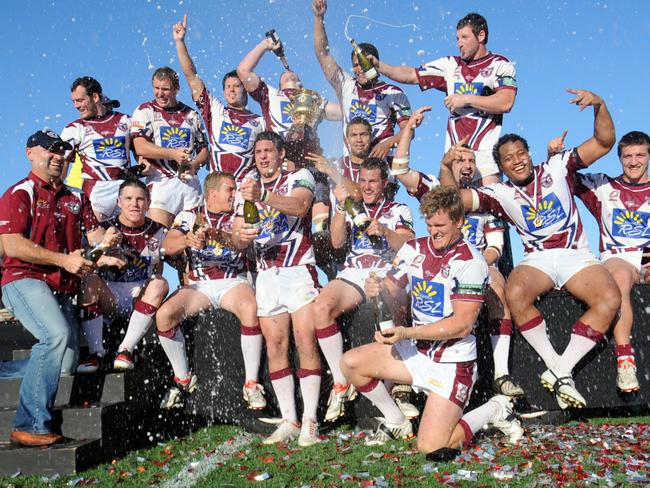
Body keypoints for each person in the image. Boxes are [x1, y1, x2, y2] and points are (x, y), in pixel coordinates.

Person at [452, 89, 621, 409]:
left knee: (610, 298)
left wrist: (599, 104)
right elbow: (454, 201)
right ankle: (558, 368)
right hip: (538, 259)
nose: (516, 160)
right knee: (515, 293)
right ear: (500, 166)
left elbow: (603, 142)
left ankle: (560, 369)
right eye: (508, 158)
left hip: (576, 254)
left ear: (529, 154)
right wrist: (449, 167)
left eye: (520, 153)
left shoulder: (557, 166)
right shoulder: (498, 191)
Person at [341, 186, 523, 452]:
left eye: (440, 225)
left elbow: (462, 325)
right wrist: (377, 288)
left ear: (459, 221)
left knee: (433, 447)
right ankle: (396, 420)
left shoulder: (471, 261)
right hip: (416, 353)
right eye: (429, 224)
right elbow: (393, 292)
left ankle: (495, 409)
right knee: (350, 363)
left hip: (451, 364)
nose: (433, 232)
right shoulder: (413, 248)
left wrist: (406, 333)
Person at [394, 107, 524, 397]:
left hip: (475, 264)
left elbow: (495, 248)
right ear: (448, 161)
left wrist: (476, 265)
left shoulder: (485, 197)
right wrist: (408, 131)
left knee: (498, 287)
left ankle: (501, 374)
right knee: (397, 288)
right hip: (433, 261)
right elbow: (400, 169)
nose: (466, 165)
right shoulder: (433, 186)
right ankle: (405, 370)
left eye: (472, 161)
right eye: (460, 158)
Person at [0, 130, 103, 446]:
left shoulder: (76, 197)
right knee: (55, 337)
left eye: (62, 152)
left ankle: (4, 370)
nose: (58, 157)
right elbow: (11, 245)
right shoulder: (20, 192)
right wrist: (64, 260)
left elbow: (95, 236)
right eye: (51, 151)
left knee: (65, 364)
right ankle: (29, 424)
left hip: (60, 285)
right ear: (30, 153)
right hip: (23, 279)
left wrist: (110, 243)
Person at [232, 132, 322, 447]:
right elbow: (237, 239)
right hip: (266, 274)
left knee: (305, 341)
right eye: (258, 152)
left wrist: (263, 197)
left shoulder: (300, 175)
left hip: (298, 270)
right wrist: (241, 235)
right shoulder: (245, 187)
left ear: (281, 154)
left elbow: (299, 207)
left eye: (269, 151)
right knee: (275, 346)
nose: (263, 157)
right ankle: (289, 419)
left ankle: (310, 419)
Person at [312, 158, 415, 422]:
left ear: (384, 184)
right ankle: (340, 382)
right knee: (321, 308)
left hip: (387, 269)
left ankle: (397, 389)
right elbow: (336, 243)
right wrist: (339, 208)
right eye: (363, 181)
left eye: (373, 181)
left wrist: (385, 231)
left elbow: (410, 245)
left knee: (391, 297)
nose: (367, 187)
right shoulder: (350, 204)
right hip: (354, 271)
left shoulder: (398, 209)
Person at [154, 172, 266, 411]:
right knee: (164, 316)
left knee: (250, 307)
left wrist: (215, 235)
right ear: (212, 193)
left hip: (232, 281)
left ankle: (252, 384)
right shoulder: (189, 215)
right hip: (200, 285)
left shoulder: (238, 212)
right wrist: (188, 241)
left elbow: (240, 241)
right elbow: (167, 245)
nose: (234, 194)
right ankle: (183, 378)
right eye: (230, 189)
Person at [370, 12, 516, 184]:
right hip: (453, 157)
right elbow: (411, 74)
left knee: (487, 207)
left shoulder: (500, 64)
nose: (458, 43)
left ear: (481, 36)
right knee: (447, 208)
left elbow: (506, 102)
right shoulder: (450, 65)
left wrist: (466, 99)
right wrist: (379, 66)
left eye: (464, 37)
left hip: (485, 159)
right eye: (457, 38)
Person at [564, 130, 650, 392]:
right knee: (620, 277)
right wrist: (554, 154)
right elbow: (563, 178)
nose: (633, 161)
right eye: (627, 156)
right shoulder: (603, 186)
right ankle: (625, 359)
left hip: (647, 256)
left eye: (640, 155)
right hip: (618, 258)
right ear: (619, 158)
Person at [76, 179, 169, 374]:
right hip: (110, 296)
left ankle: (125, 350)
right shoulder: (102, 228)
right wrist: (103, 259)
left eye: (140, 199)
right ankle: (96, 354)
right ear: (118, 202)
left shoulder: (159, 230)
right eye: (128, 198)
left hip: (139, 297)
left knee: (160, 283)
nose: (134, 204)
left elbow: (170, 262)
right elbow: (80, 259)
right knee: (89, 281)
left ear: (148, 202)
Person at [312, 0, 412, 160]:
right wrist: (319, 18)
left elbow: (409, 131)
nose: (359, 69)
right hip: (351, 166)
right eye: (356, 65)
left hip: (382, 166)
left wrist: (387, 144)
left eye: (363, 64)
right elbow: (322, 54)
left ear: (374, 62)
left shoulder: (393, 92)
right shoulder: (346, 84)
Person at [173, 15, 265, 187]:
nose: (231, 89)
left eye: (237, 86)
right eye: (228, 86)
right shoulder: (215, 111)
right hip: (216, 189)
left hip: (246, 190)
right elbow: (191, 77)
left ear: (246, 89)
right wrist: (180, 42)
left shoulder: (260, 122)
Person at [130, 67, 209, 227]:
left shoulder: (191, 114)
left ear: (176, 89)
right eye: (156, 88)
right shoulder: (145, 110)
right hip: (161, 183)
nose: (160, 94)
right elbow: (140, 147)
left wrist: (194, 164)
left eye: (165, 89)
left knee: (195, 241)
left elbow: (204, 150)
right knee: (161, 240)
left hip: (190, 185)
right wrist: (172, 154)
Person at [237, 37, 341, 140]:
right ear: (279, 86)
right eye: (284, 74)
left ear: (301, 85)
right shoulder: (269, 94)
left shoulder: (312, 98)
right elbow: (243, 70)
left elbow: (345, 112)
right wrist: (265, 44)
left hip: (307, 154)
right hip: (278, 153)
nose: (288, 72)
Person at [61, 76, 133, 221]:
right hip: (95, 193)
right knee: (96, 240)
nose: (76, 106)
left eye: (80, 100)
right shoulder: (74, 128)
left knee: (132, 239)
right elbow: (60, 162)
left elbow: (141, 150)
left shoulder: (126, 121)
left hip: (125, 190)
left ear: (95, 97)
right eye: (74, 101)